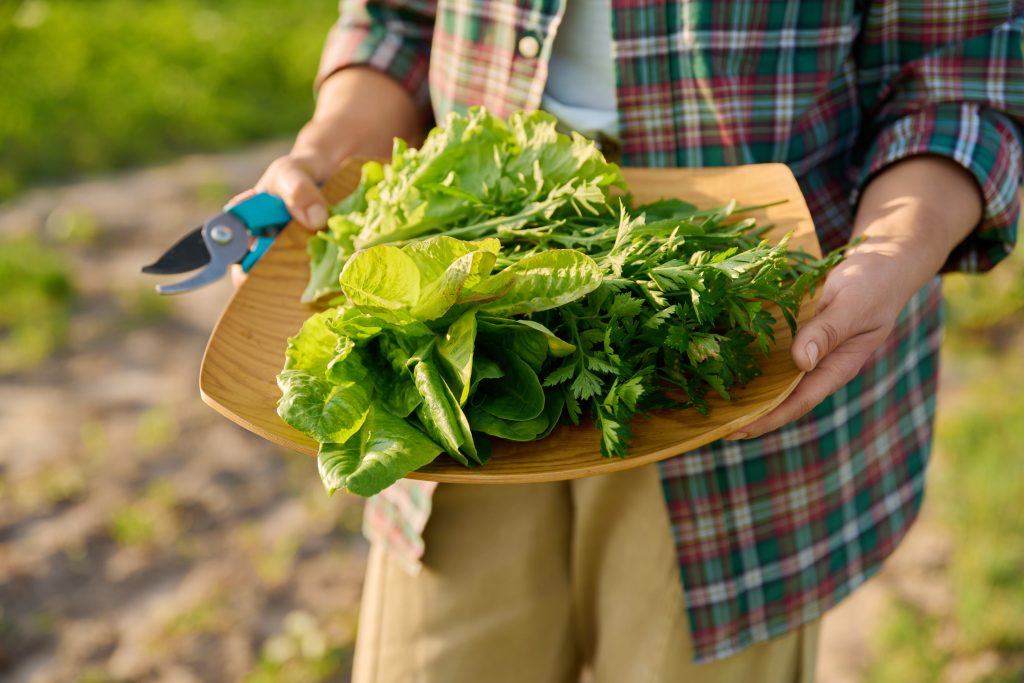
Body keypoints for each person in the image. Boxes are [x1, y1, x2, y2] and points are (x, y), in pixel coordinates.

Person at [249, 1, 1024, 680]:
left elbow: (962, 71)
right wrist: (325, 153)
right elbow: (398, 22)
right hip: (461, 306)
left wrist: (894, 250)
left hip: (743, 345)